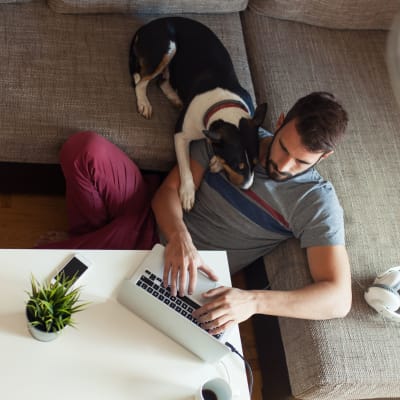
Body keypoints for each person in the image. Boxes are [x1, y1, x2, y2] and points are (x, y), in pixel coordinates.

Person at [37, 91, 352, 335]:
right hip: (154, 218)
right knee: (85, 149)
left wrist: (252, 301)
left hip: (180, 275)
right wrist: (179, 237)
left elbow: (338, 299)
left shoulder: (315, 202)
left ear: (325, 157)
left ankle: (89, 243)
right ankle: (92, 239)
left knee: (48, 283)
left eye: (301, 162)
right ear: (281, 121)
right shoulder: (235, 135)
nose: (283, 166)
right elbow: (168, 192)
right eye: (283, 147)